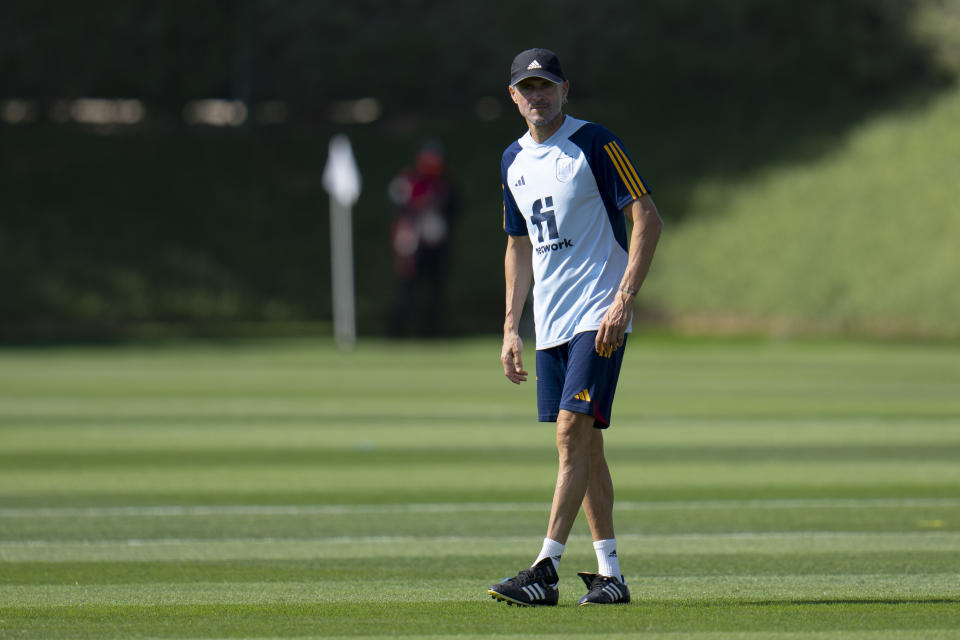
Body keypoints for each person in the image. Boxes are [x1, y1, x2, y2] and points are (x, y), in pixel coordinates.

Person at [488, 48, 662, 607]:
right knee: (587, 447)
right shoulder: (512, 160)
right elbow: (518, 245)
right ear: (514, 97)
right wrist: (513, 327)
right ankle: (610, 575)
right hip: (553, 323)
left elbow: (647, 217)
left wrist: (623, 300)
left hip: (598, 314)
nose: (537, 96)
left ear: (566, 90)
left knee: (570, 432)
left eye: (547, 86)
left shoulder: (595, 143)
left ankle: (546, 568)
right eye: (527, 88)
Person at [387, 141, 458, 338]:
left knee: (435, 291)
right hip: (411, 244)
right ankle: (397, 333)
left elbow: (453, 212)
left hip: (437, 246)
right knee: (406, 291)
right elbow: (399, 210)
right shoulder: (407, 181)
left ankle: (430, 333)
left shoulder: (446, 184)